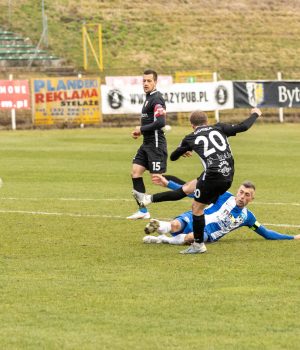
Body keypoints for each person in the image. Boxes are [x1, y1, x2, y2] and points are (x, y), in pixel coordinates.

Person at [133, 108, 262, 253]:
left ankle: (198, 245)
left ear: (192, 125)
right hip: (228, 176)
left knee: (197, 208)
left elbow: (173, 157)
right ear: (207, 121)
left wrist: (185, 149)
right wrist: (255, 113)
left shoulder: (191, 137)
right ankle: (149, 199)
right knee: (187, 188)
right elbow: (243, 126)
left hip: (213, 175)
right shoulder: (219, 127)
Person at [142, 178, 300, 245]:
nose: (242, 197)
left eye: (247, 195)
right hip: (195, 217)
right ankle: (161, 226)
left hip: (207, 234)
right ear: (237, 191)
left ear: (251, 199)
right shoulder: (224, 196)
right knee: (175, 225)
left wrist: (292, 237)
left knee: (192, 237)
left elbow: (266, 233)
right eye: (241, 192)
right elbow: (193, 193)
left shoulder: (248, 218)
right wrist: (168, 184)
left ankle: (162, 239)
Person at [127, 69, 167, 220]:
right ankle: (143, 211)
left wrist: (141, 128)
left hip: (156, 144)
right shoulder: (148, 98)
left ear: (155, 82)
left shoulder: (157, 99)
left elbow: (161, 122)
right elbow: (152, 122)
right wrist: (141, 132)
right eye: (144, 81)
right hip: (147, 143)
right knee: (135, 172)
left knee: (158, 178)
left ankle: (196, 191)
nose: (145, 83)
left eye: (149, 81)